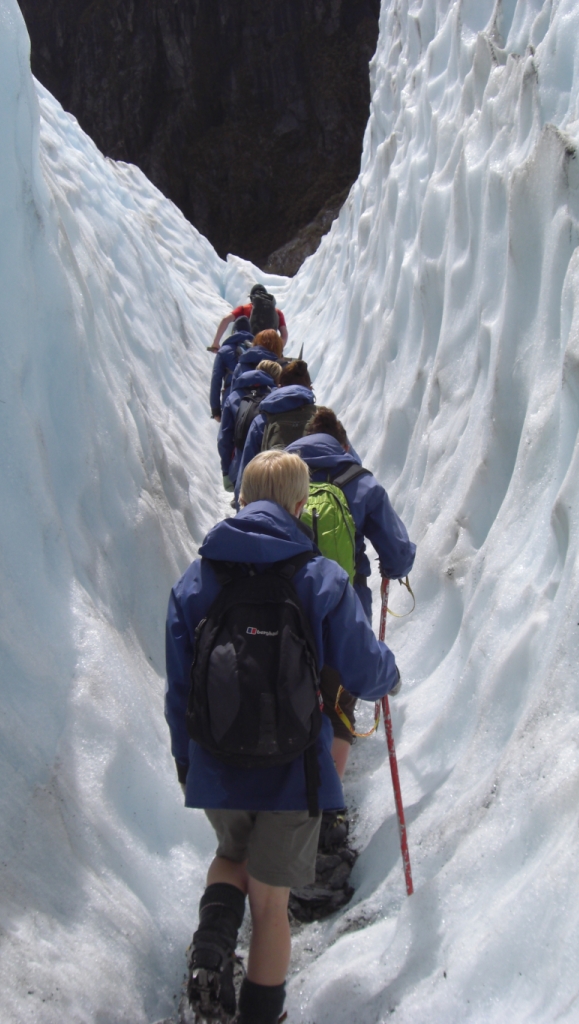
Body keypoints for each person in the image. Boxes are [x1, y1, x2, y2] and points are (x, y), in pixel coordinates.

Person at [165, 450, 399, 1024]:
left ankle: (213, 946)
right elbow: (366, 671)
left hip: (217, 761)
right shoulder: (319, 576)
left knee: (230, 855)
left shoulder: (198, 577)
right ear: (300, 507)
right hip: (296, 769)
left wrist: (186, 760)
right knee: (271, 906)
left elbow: (178, 686)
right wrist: (390, 674)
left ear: (243, 499)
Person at [287, 407, 416, 782]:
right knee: (339, 706)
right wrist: (395, 569)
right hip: (345, 608)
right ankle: (329, 811)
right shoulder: (360, 481)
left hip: (282, 607)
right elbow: (397, 552)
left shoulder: (278, 474)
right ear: (343, 443)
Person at [234, 360, 316, 504]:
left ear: (279, 387)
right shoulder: (322, 418)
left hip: (273, 506)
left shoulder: (262, 420)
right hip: (319, 507)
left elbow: (246, 476)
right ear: (310, 388)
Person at [216, 360, 280, 493]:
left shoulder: (233, 397)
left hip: (239, 468)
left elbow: (224, 439)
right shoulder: (277, 397)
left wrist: (226, 472)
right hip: (270, 469)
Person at [210, 285, 288, 351]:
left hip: (248, 348)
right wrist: (279, 349)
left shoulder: (244, 308)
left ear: (251, 298)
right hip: (270, 350)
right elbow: (284, 334)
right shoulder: (277, 312)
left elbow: (225, 320)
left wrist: (216, 343)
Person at [209, 315, 254, 421]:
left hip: (231, 397)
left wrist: (215, 409)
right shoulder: (257, 349)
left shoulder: (224, 350)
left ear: (234, 331)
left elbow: (216, 379)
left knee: (227, 435)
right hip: (253, 400)